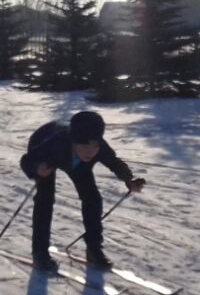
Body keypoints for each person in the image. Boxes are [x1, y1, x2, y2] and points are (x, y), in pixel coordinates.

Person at [19, 110, 145, 271]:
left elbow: (114, 162)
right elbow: (27, 160)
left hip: (78, 164)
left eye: (95, 145)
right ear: (74, 142)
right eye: (85, 146)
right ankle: (40, 254)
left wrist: (129, 180)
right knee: (45, 199)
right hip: (47, 153)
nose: (91, 151)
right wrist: (37, 168)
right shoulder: (55, 144)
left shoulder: (98, 147)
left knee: (92, 199)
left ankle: (94, 249)